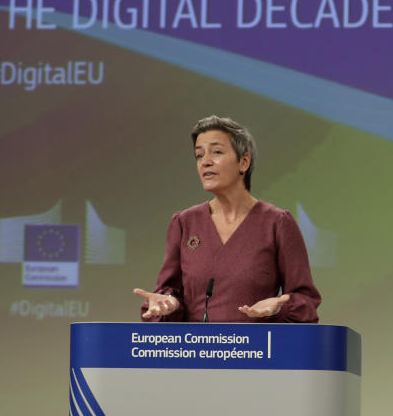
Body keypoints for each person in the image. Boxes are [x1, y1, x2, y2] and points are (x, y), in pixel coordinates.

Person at [134, 116, 321, 322]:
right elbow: (169, 292)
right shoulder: (184, 223)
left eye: (217, 152)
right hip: (195, 350)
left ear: (244, 162)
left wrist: (278, 308)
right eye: (199, 155)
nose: (205, 162)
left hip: (254, 350)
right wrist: (167, 303)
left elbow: (305, 301)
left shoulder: (277, 223)